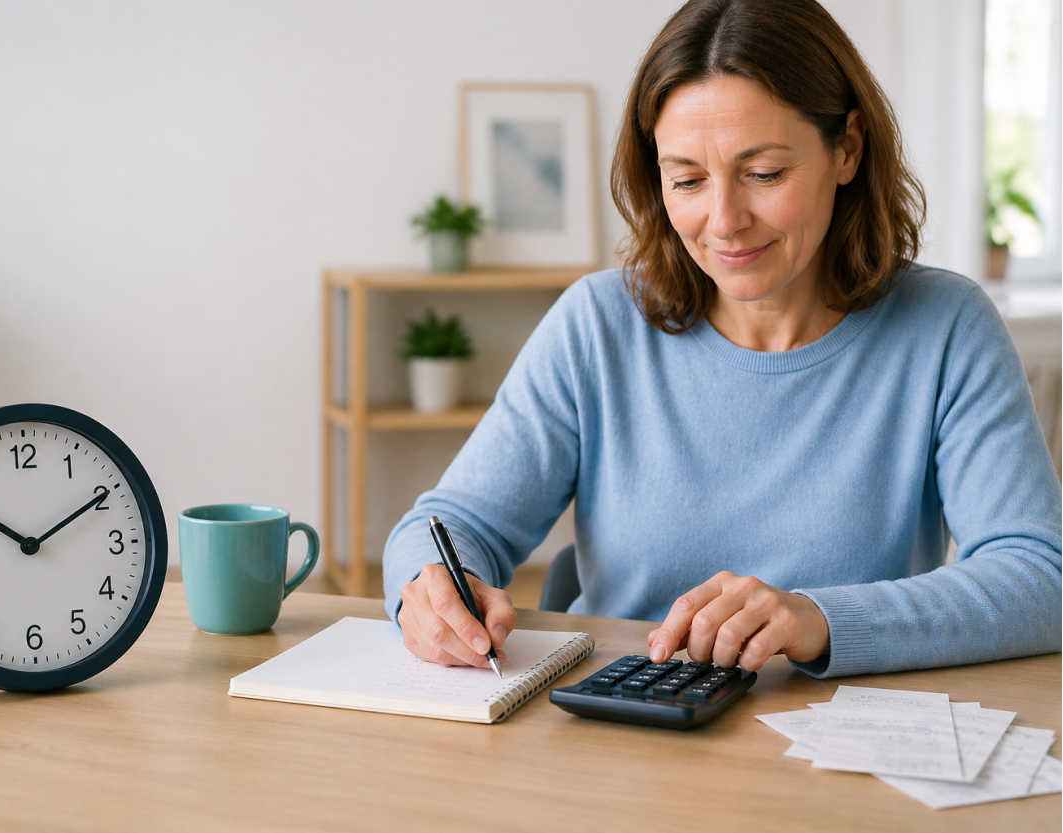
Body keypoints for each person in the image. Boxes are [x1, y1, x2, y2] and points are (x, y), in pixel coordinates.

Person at [383, 0, 1062, 678]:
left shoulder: (946, 327)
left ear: (847, 149)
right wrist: (431, 589)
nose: (725, 220)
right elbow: (449, 524)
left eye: (764, 174)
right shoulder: (596, 325)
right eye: (687, 180)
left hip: (842, 732)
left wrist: (817, 618)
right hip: (621, 722)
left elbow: (1041, 576)